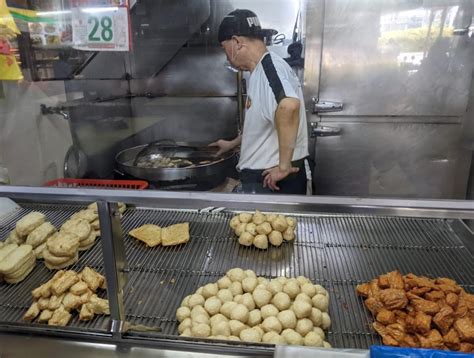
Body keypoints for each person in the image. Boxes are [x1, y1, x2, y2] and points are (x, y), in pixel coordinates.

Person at [210, 9, 309, 194]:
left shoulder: (269, 68)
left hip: (272, 181)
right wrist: (233, 143)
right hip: (265, 178)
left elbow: (289, 107)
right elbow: (268, 121)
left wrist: (284, 167)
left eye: (225, 49)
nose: (227, 57)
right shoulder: (261, 71)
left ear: (237, 42)